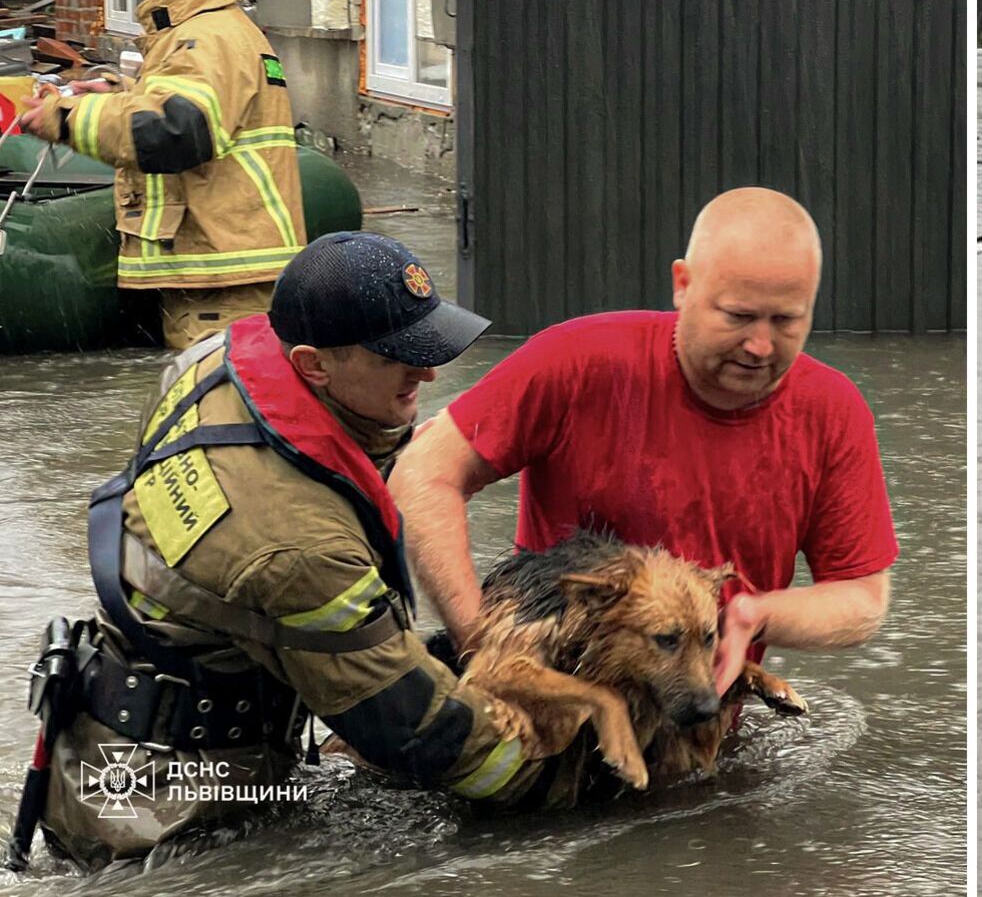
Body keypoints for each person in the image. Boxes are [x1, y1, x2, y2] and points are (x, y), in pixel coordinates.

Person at [32, 232, 581, 871]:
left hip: (112, 740)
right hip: (174, 814)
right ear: (314, 364)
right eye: (399, 356)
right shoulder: (298, 550)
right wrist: (568, 777)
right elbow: (414, 726)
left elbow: (293, 469)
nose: (429, 374)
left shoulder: (209, 364)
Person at [390, 186, 898, 704]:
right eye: (739, 316)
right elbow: (422, 472)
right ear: (683, 285)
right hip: (554, 702)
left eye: (787, 320)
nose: (760, 345)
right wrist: (482, 646)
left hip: (694, 711)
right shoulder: (578, 360)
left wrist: (756, 614)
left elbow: (863, 598)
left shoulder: (833, 410)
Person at [19, 0, 305, 350]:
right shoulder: (217, 27)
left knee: (217, 386)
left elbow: (175, 131)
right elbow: (201, 107)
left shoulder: (204, 36)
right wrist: (121, 94)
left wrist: (68, 118)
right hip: (226, 267)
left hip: (222, 279)